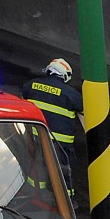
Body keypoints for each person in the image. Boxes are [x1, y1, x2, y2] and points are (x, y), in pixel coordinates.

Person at [22, 58, 83, 192]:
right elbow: (82, 109)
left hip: (36, 136)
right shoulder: (72, 94)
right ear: (65, 75)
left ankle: (37, 193)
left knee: (37, 165)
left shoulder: (31, 85)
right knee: (63, 171)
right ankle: (66, 201)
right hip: (61, 142)